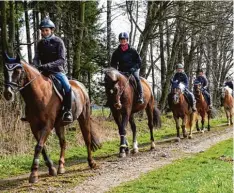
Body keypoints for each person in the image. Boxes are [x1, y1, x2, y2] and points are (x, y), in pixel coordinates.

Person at [32, 16, 72, 122]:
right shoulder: (40, 44)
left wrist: (47, 65)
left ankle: (67, 111)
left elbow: (62, 59)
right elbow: (36, 58)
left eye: (46, 30)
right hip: (43, 72)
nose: (44, 32)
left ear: (51, 30)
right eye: (42, 30)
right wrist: (35, 65)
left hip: (57, 71)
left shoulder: (58, 42)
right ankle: (30, 111)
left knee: (67, 86)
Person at [110, 32, 143, 103]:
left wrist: (134, 68)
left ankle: (140, 96)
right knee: (112, 81)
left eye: (124, 39)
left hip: (133, 70)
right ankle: (111, 99)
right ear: (119, 40)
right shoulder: (116, 52)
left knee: (137, 78)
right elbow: (113, 63)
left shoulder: (132, 50)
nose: (123, 41)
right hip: (121, 71)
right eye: (121, 39)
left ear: (127, 40)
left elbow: (139, 62)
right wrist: (115, 71)